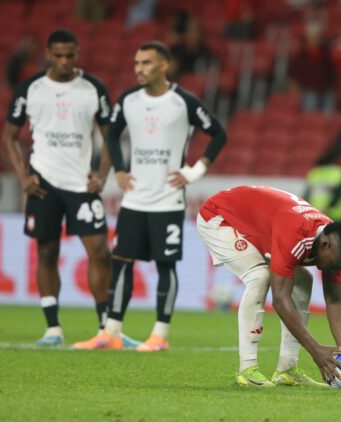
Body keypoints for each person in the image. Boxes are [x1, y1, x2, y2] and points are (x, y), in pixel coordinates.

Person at [74, 41, 227, 352]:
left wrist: (195, 171)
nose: (139, 68)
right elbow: (112, 134)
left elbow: (218, 134)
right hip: (134, 199)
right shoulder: (129, 100)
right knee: (121, 263)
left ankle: (160, 335)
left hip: (168, 200)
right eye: (136, 63)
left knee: (164, 265)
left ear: (163, 66)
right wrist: (118, 169)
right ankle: (110, 332)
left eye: (146, 63)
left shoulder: (183, 101)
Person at [2, 29, 115, 347]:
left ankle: (106, 327)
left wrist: (102, 175)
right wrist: (23, 177)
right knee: (47, 252)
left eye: (70, 55)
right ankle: (53, 328)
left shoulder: (93, 88)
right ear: (49, 54)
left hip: (81, 184)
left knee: (100, 253)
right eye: (58, 55)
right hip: (44, 183)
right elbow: (8, 137)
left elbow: (111, 137)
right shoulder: (31, 88)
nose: (64, 61)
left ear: (77, 54)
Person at [196, 186, 341, 387]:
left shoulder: (334, 244)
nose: (335, 269)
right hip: (219, 216)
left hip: (258, 225)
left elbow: (334, 300)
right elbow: (280, 299)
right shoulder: (297, 234)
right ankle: (247, 370)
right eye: (336, 265)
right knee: (259, 276)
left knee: (304, 281)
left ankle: (287, 370)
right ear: (324, 246)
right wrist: (315, 350)